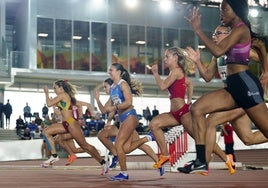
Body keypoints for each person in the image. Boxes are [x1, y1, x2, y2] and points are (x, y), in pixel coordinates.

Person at [184, 0, 268, 175]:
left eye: (224, 9)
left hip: (246, 85)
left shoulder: (241, 29)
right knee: (197, 109)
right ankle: (201, 161)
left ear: (235, 10)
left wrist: (266, 72)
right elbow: (209, 72)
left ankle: (203, 160)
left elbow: (218, 50)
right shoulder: (234, 35)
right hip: (233, 87)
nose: (221, 13)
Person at [95, 78, 164, 176]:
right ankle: (115, 154)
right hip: (119, 124)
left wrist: (110, 119)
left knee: (138, 146)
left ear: (112, 86)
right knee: (101, 135)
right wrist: (98, 101)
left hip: (127, 122)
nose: (104, 89)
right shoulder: (112, 97)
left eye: (105, 87)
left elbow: (115, 108)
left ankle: (159, 162)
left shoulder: (118, 92)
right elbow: (106, 110)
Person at [42, 80, 109, 175]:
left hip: (71, 123)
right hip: (66, 123)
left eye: (55, 88)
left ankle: (102, 162)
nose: (54, 90)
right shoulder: (62, 97)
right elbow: (59, 111)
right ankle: (54, 155)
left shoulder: (63, 95)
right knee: (47, 132)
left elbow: (48, 104)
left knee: (84, 146)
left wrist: (46, 93)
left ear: (61, 88)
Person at [105, 63, 156, 181]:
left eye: (111, 70)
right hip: (123, 120)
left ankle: (124, 173)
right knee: (125, 149)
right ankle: (147, 138)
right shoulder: (112, 87)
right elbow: (110, 107)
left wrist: (114, 108)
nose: (109, 72)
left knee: (118, 145)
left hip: (130, 116)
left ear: (118, 72)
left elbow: (128, 102)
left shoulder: (123, 84)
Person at [148, 47, 194, 169]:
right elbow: (189, 84)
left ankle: (225, 157)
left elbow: (163, 86)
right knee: (153, 125)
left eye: (167, 56)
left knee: (199, 137)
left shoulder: (176, 71)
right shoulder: (175, 72)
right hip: (174, 114)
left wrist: (155, 74)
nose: (165, 59)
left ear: (175, 58)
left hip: (183, 113)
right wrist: (189, 100)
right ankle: (165, 155)